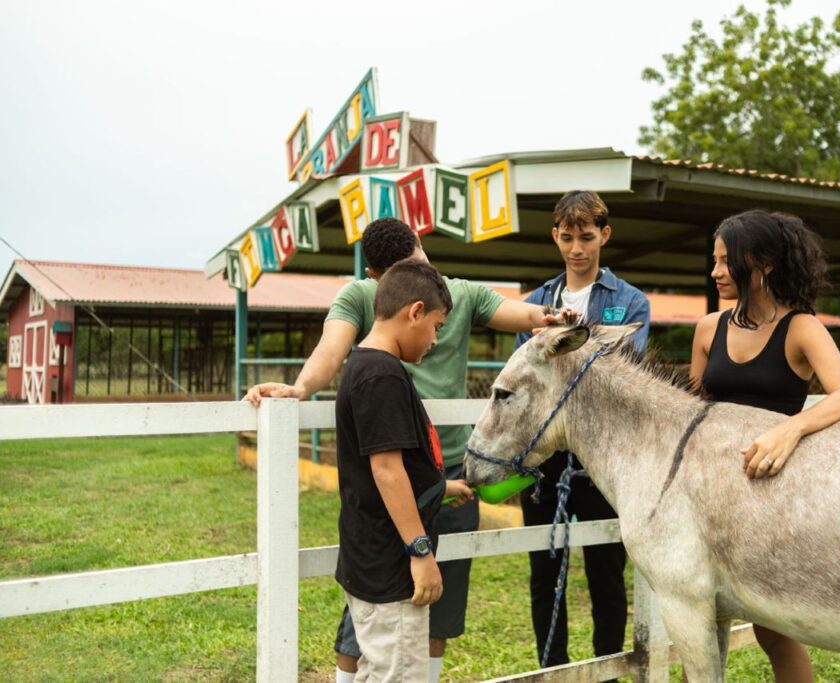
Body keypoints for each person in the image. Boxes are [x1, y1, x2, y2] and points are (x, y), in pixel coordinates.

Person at [244, 217, 571, 683]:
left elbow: (519, 312)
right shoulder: (369, 326)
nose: (437, 337)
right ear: (382, 286)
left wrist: (550, 319)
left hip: (447, 466)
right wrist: (299, 389)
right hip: (396, 466)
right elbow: (330, 350)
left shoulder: (457, 291)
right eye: (435, 325)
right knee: (382, 599)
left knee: (438, 599)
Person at [689, 209, 840, 682]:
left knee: (775, 630)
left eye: (726, 262)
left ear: (762, 264)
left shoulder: (802, 328)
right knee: (693, 624)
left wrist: (791, 428)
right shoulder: (708, 329)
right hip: (704, 498)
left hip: (768, 498)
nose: (716, 273)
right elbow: (688, 413)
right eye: (715, 261)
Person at [514, 190, 650, 670]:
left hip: (601, 460)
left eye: (587, 237)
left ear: (604, 236)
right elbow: (526, 376)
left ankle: (608, 671)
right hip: (546, 458)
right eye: (568, 237)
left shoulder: (631, 301)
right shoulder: (533, 305)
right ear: (555, 236)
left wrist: (576, 338)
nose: (577, 248)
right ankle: (552, 671)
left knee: (607, 575)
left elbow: (625, 376)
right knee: (544, 570)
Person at [334, 257, 474, 681]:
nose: (434, 340)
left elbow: (391, 466)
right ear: (414, 312)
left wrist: (441, 487)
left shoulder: (368, 366)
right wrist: (420, 551)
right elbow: (387, 470)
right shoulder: (382, 376)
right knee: (397, 673)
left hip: (375, 555)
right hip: (391, 563)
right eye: (436, 325)